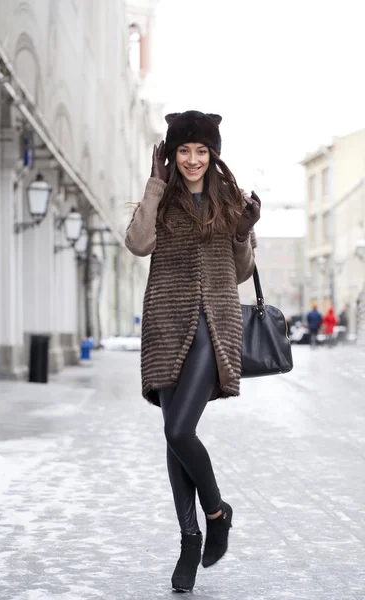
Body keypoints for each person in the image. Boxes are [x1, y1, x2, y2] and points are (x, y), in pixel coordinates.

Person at [125, 110, 261, 592]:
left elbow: (242, 271)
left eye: (201, 151)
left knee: (181, 428)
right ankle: (189, 539)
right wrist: (154, 185)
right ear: (171, 152)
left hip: (213, 324)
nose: (192, 160)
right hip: (165, 323)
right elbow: (137, 244)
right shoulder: (162, 197)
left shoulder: (229, 198)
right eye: (183, 150)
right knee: (172, 434)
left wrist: (244, 231)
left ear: (213, 154)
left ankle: (217, 512)